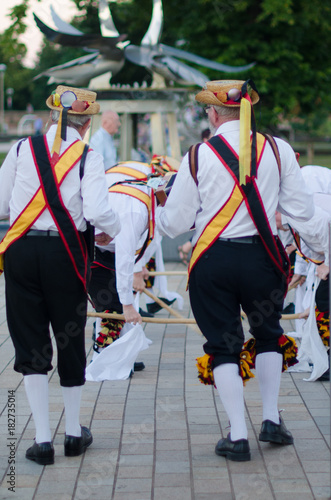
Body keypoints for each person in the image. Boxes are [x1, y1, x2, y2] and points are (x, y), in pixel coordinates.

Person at [156, 79, 314, 461]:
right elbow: (304, 212)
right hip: (264, 259)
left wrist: (165, 201)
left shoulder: (197, 155)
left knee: (224, 345)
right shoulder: (278, 149)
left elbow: (173, 225)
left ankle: (238, 435)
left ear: (213, 113)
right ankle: (272, 420)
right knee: (269, 334)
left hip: (214, 260)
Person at [0, 85, 121, 465]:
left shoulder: (21, 148)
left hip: (20, 251)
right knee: (69, 335)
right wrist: (112, 230)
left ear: (52, 116)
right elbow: (100, 213)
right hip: (65, 254)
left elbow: (1, 203)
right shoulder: (89, 155)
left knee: (29, 339)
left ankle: (40, 439)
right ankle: (72, 433)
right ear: (86, 126)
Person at [88, 157, 176, 373]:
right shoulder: (136, 209)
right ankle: (104, 361)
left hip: (109, 236)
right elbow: (125, 257)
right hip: (93, 246)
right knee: (111, 305)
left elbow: (152, 235)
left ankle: (123, 354)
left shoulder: (149, 182)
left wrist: (141, 264)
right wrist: (128, 299)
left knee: (123, 299)